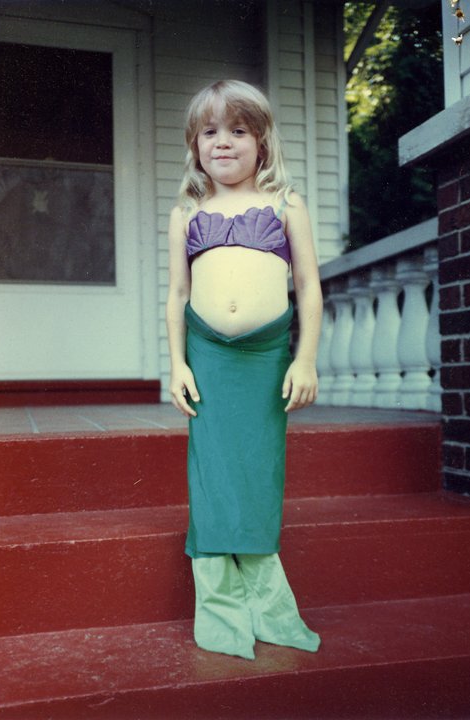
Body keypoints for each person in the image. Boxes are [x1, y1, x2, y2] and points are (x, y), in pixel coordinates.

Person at [166, 79, 323, 660]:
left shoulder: (287, 204)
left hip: (264, 357)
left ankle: (271, 608)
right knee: (208, 474)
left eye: (238, 130)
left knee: (259, 471)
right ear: (194, 143)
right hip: (207, 357)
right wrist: (177, 363)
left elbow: (307, 286)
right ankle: (221, 610)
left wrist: (305, 357)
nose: (223, 142)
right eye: (210, 131)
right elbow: (177, 293)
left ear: (261, 141)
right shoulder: (187, 211)